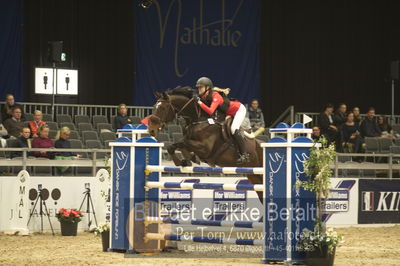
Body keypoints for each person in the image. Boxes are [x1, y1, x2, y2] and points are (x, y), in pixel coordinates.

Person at [194, 77, 249, 163]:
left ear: (207, 88)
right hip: (228, 112)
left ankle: (244, 154)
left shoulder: (215, 96)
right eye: (198, 87)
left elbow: (210, 111)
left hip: (239, 109)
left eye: (201, 87)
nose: (199, 89)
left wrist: (199, 102)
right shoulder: (205, 96)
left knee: (233, 129)